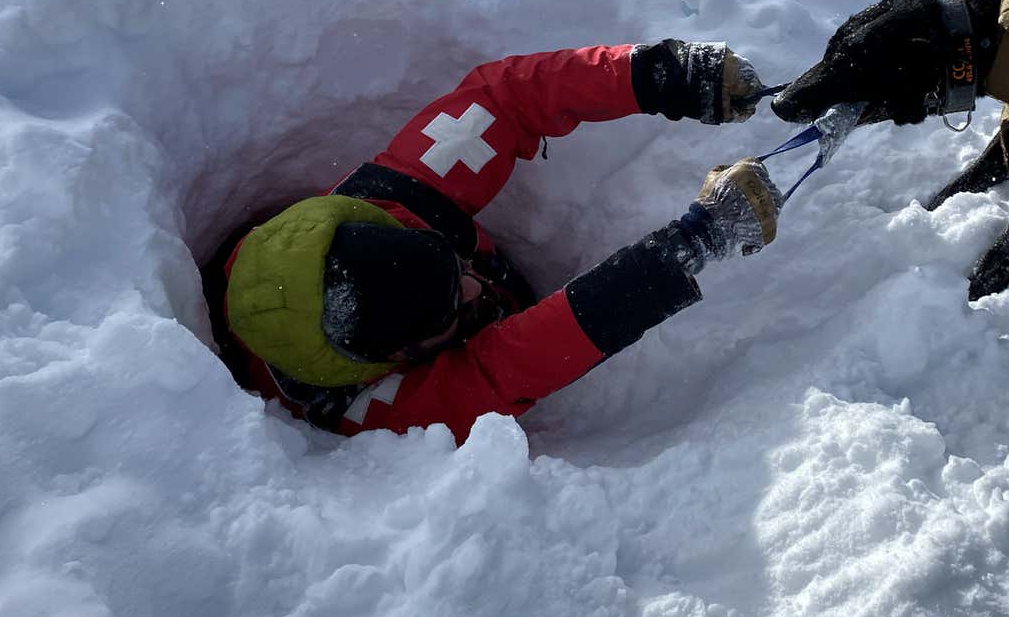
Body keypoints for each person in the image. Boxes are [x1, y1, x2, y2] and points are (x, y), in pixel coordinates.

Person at [203, 40, 782, 442]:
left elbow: (506, 100)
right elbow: (507, 366)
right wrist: (697, 240)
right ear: (400, 359)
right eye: (455, 306)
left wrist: (658, 74)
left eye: (453, 264)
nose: (476, 280)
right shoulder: (375, 408)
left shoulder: (395, 200)